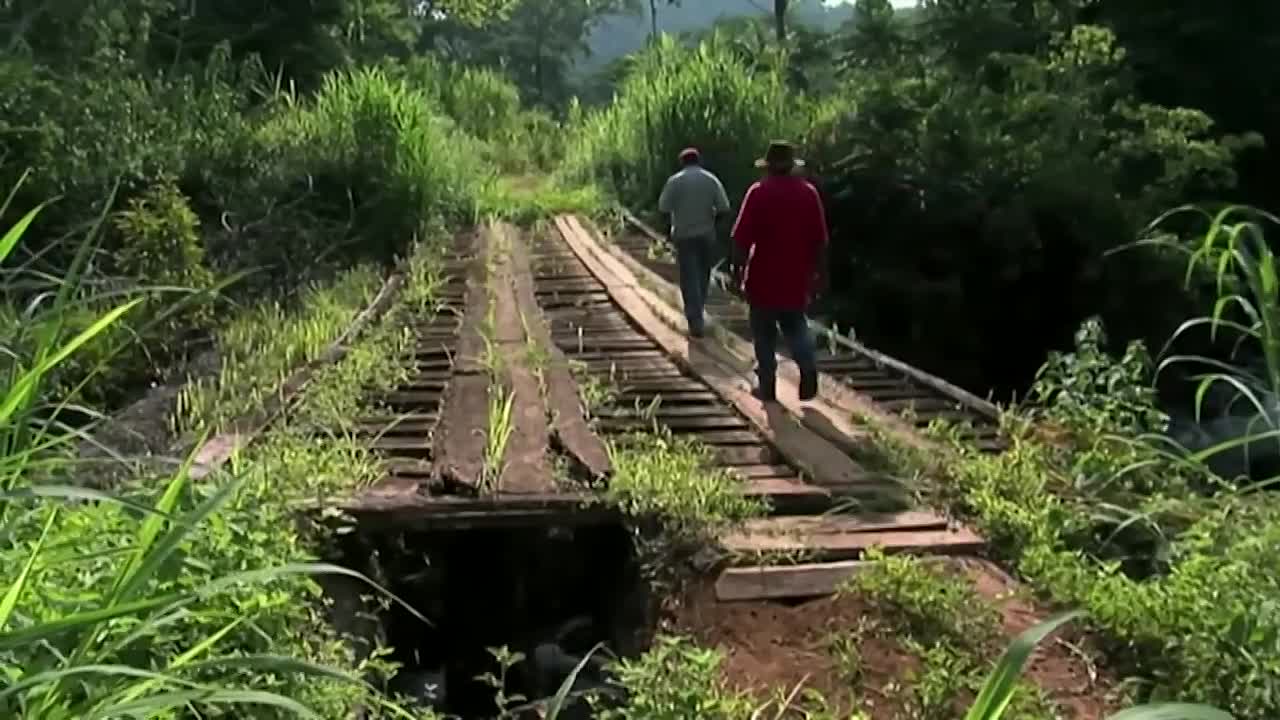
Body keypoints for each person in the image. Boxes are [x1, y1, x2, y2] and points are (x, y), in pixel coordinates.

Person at [729, 140, 827, 402]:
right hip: (797, 276)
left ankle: (768, 385)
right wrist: (818, 275)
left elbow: (742, 238)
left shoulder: (758, 192)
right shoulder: (808, 193)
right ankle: (807, 367)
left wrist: (736, 269)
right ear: (792, 166)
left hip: (763, 277)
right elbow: (820, 240)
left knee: (764, 334)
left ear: (769, 167)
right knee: (796, 326)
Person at [657, 147, 732, 338]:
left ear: (682, 162)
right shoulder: (710, 179)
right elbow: (724, 207)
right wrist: (714, 225)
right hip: (706, 235)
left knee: (688, 277)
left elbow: (663, 207)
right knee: (703, 276)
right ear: (699, 161)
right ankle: (698, 313)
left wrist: (668, 230)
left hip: (683, 235)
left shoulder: (675, 181)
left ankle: (695, 319)